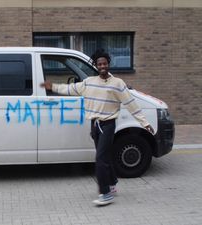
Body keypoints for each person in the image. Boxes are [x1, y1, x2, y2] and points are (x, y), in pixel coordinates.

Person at [40, 49, 154, 206]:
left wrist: (144, 122)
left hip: (108, 125)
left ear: (108, 64)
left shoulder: (117, 84)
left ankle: (105, 193)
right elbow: (70, 89)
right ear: (96, 65)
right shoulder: (89, 82)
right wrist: (51, 86)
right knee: (105, 158)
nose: (102, 66)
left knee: (100, 159)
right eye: (99, 64)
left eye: (105, 63)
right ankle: (113, 183)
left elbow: (131, 104)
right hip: (95, 125)